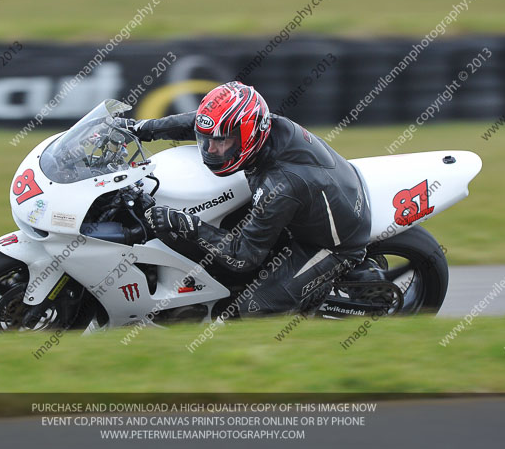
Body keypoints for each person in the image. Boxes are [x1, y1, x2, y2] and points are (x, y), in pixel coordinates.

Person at [120, 81, 373, 317]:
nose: (210, 150)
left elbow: (244, 256)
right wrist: (140, 129)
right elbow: (198, 123)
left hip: (331, 244)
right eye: (207, 140)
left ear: (248, 135)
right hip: (318, 199)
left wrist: (185, 224)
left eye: (221, 142)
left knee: (249, 310)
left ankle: (314, 296)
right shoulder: (259, 127)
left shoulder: (281, 185)